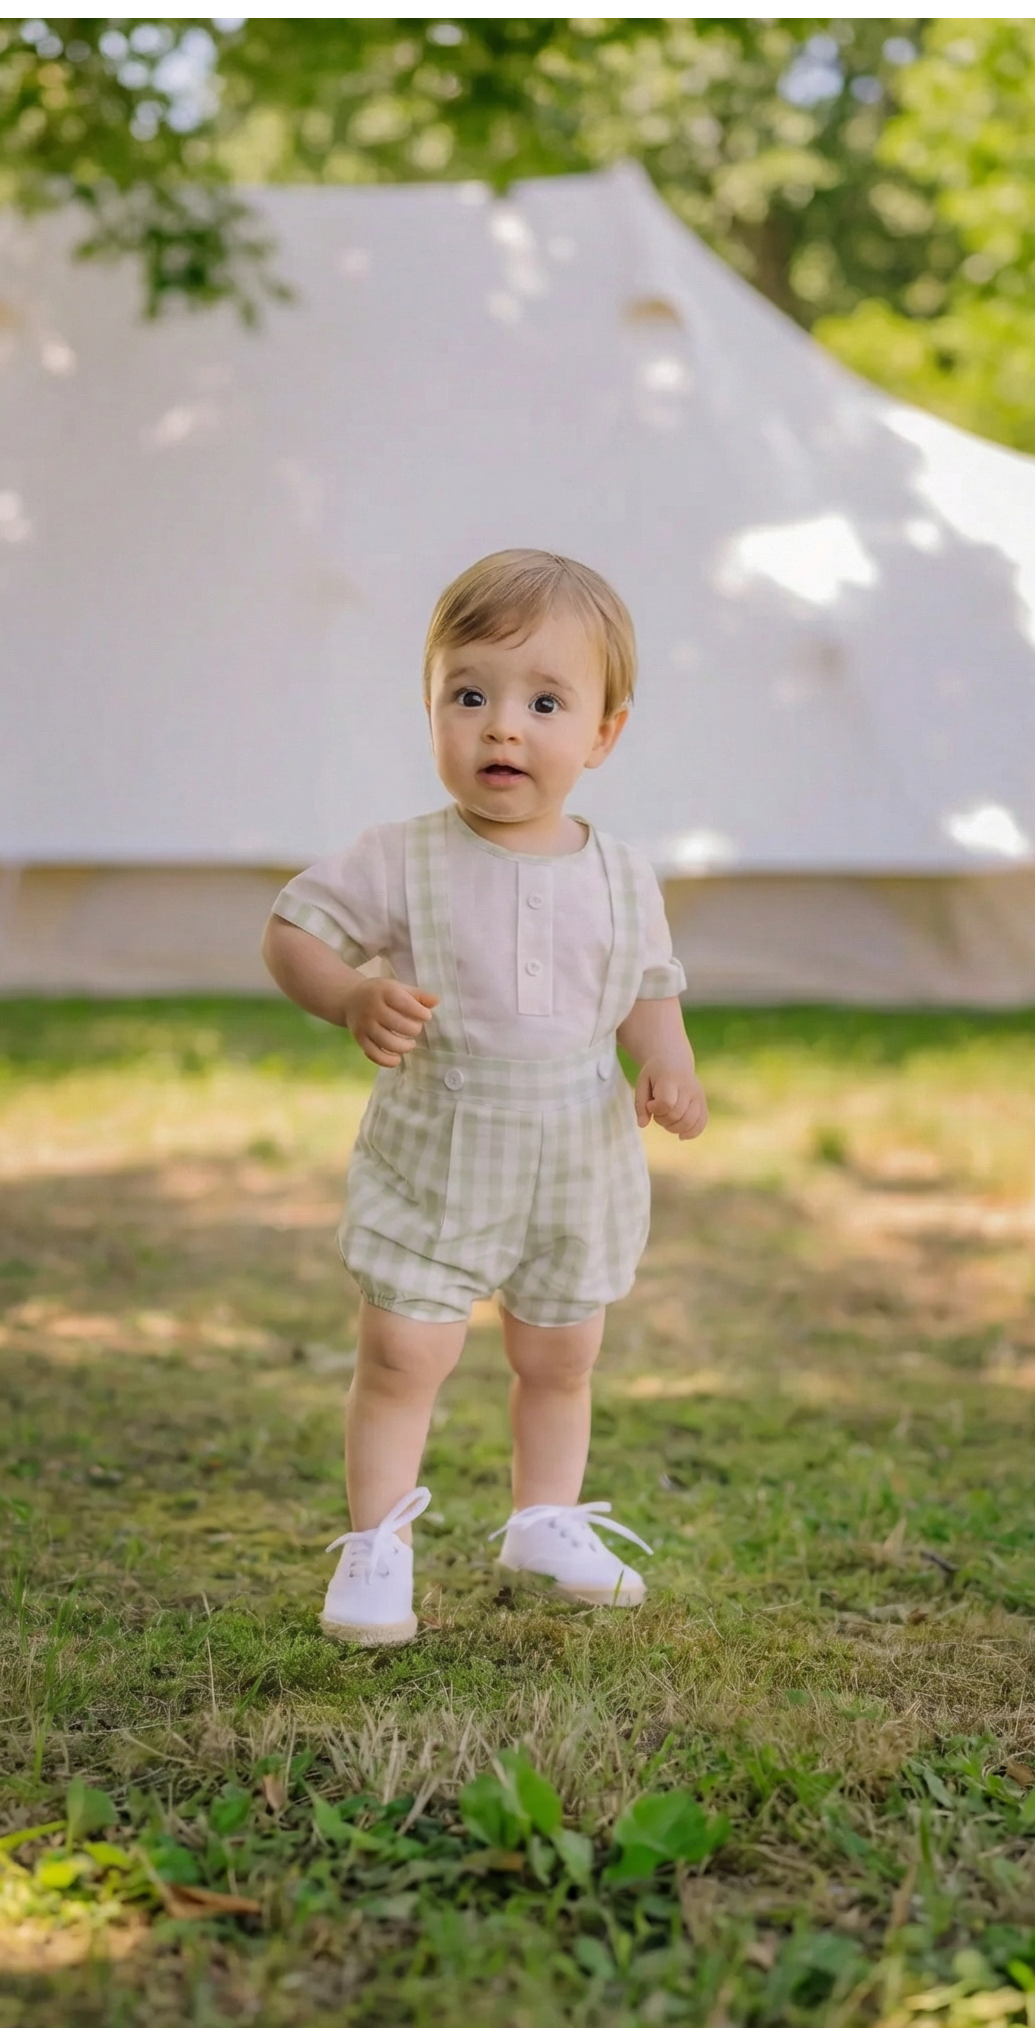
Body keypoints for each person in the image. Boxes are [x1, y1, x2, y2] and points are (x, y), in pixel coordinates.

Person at [262, 549, 708, 1646]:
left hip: (576, 1152)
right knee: (406, 1349)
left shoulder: (621, 872)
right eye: (470, 696)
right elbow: (290, 932)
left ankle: (543, 1518)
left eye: (544, 702)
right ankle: (378, 1548)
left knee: (561, 1352)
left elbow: (646, 987)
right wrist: (351, 997)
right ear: (432, 710)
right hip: (442, 1141)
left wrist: (670, 1058)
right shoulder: (401, 857)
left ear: (603, 733)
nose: (502, 728)